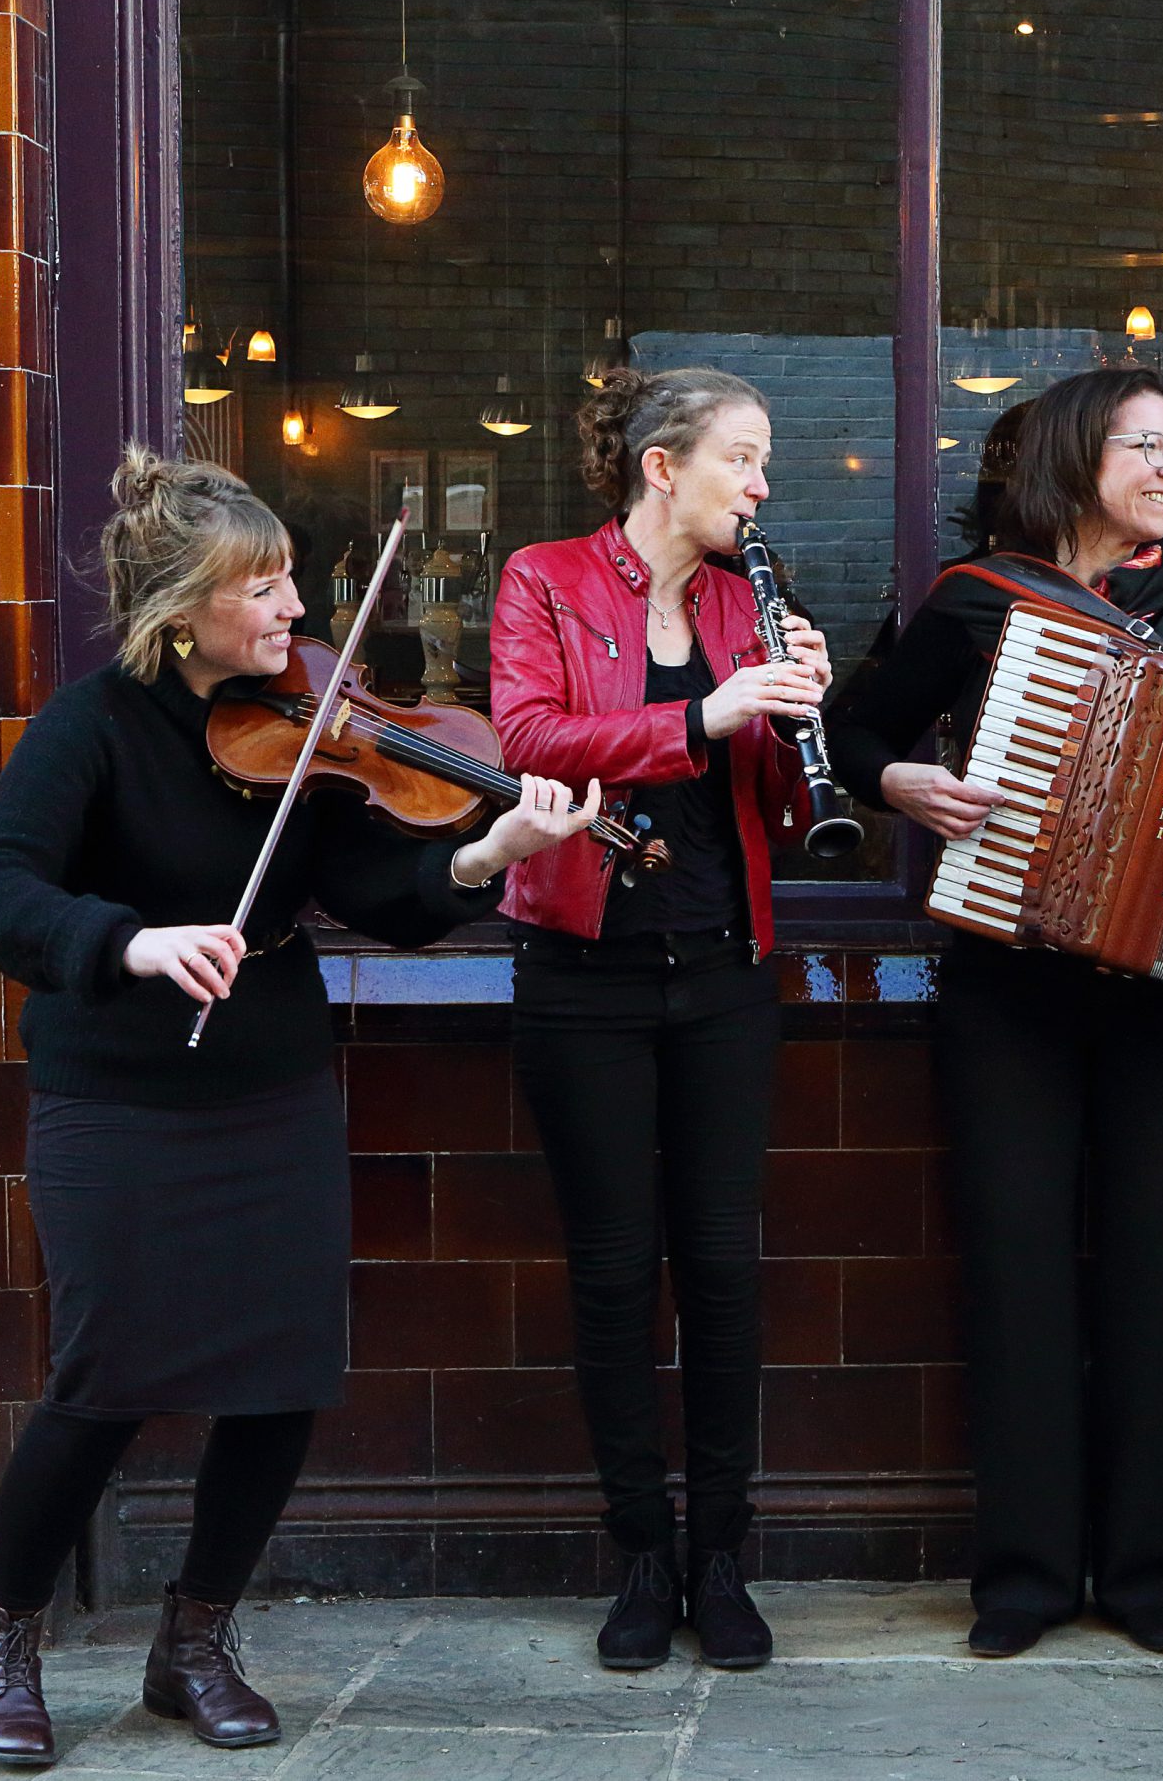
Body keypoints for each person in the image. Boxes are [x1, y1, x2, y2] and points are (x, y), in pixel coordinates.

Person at [0, 450, 595, 1765]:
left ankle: (195, 1638)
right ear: (181, 612)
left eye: (293, 578)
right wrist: (129, 943)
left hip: (269, 1091)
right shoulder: (93, 727)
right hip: (117, 1096)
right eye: (262, 586)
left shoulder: (309, 722)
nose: (295, 608)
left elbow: (381, 883)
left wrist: (488, 852)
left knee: (280, 1376)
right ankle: (6, 1634)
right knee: (104, 1374)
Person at [825, 368, 1163, 1657]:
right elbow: (849, 732)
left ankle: (1149, 1576)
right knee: (1013, 1272)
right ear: (1076, 456)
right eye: (1149, 446)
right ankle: (1019, 1575)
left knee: (1157, 1277)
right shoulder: (974, 601)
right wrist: (907, 783)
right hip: (1008, 984)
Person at [486, 367, 831, 1672]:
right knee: (615, 1274)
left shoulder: (754, 606)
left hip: (727, 971)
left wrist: (803, 719)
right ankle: (641, 1550)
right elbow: (528, 730)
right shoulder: (545, 578)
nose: (759, 487)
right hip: (584, 973)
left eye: (762, 465)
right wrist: (707, 712)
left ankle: (723, 1555)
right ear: (661, 468)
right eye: (741, 461)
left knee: (725, 1271)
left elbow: (789, 824)